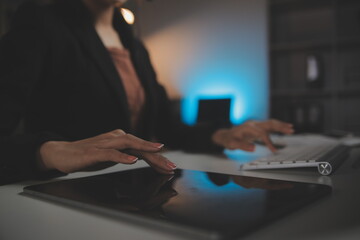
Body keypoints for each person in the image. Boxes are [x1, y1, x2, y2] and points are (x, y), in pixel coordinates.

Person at [0, 0, 294, 184]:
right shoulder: (40, 23)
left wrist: (221, 134)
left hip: (134, 188)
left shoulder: (135, 46)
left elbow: (166, 130)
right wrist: (50, 151)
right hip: (62, 191)